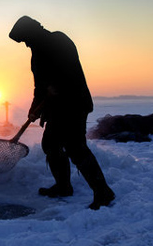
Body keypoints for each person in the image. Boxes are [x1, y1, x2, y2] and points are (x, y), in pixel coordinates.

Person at [9, 16, 115, 210]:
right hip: (57, 108)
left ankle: (103, 192)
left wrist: (57, 86)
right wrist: (34, 109)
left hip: (73, 104)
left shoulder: (58, 40)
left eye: (25, 39)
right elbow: (40, 86)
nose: (25, 44)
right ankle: (63, 186)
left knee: (76, 147)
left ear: (32, 32)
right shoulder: (37, 52)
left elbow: (70, 70)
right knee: (51, 144)